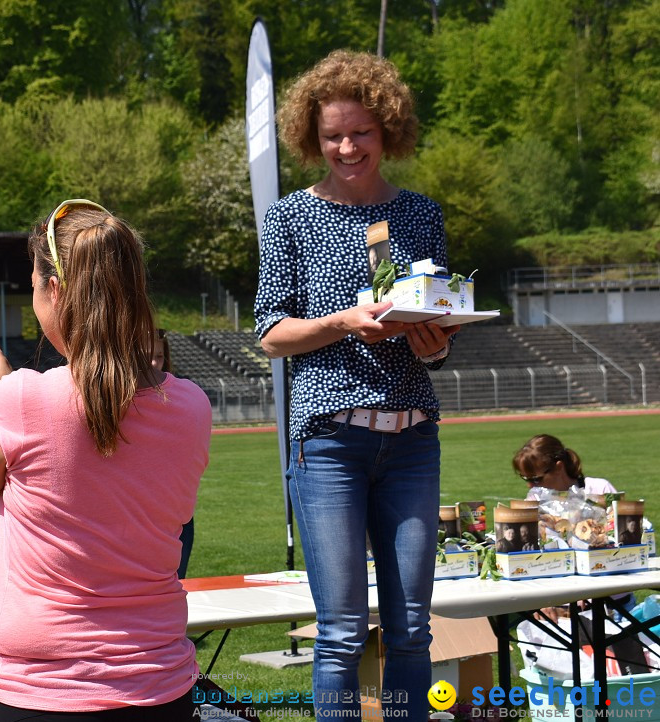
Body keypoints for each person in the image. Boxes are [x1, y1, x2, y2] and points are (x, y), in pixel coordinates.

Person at [0, 199, 211, 721]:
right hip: (157, 685)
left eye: (35, 284)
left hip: (30, 689)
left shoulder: (23, 399)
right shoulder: (193, 405)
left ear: (54, 291)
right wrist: (10, 391)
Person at [253, 50, 459, 721]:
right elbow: (271, 334)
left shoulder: (423, 214)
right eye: (333, 135)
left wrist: (435, 342)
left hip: (411, 441)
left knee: (411, 633)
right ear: (311, 139)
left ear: (388, 130)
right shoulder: (288, 217)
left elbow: (434, 324)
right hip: (329, 446)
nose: (346, 147)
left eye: (360, 132)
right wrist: (343, 322)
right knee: (341, 634)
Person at [151, 328, 196, 579]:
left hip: (175, 516)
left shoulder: (181, 398)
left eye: (158, 355)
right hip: (136, 515)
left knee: (173, 586)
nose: (152, 363)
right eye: (145, 354)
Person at [514, 434, 618, 499]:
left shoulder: (600, 489)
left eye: (536, 479)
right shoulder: (534, 499)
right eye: (525, 479)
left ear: (558, 467)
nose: (530, 486)